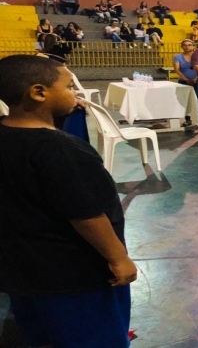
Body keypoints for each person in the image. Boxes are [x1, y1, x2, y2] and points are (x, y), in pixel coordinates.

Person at [0, 55, 136, 347]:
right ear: (38, 92)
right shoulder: (63, 151)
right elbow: (86, 214)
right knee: (92, 336)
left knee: (40, 333)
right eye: (68, 86)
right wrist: (118, 258)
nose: (75, 92)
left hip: (22, 268)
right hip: (73, 275)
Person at [173, 39, 198, 127]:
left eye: (189, 45)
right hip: (183, 81)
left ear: (194, 46)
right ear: (182, 46)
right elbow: (177, 70)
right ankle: (188, 119)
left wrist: (196, 78)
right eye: (185, 45)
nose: (187, 47)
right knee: (185, 101)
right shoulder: (177, 57)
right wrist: (187, 80)